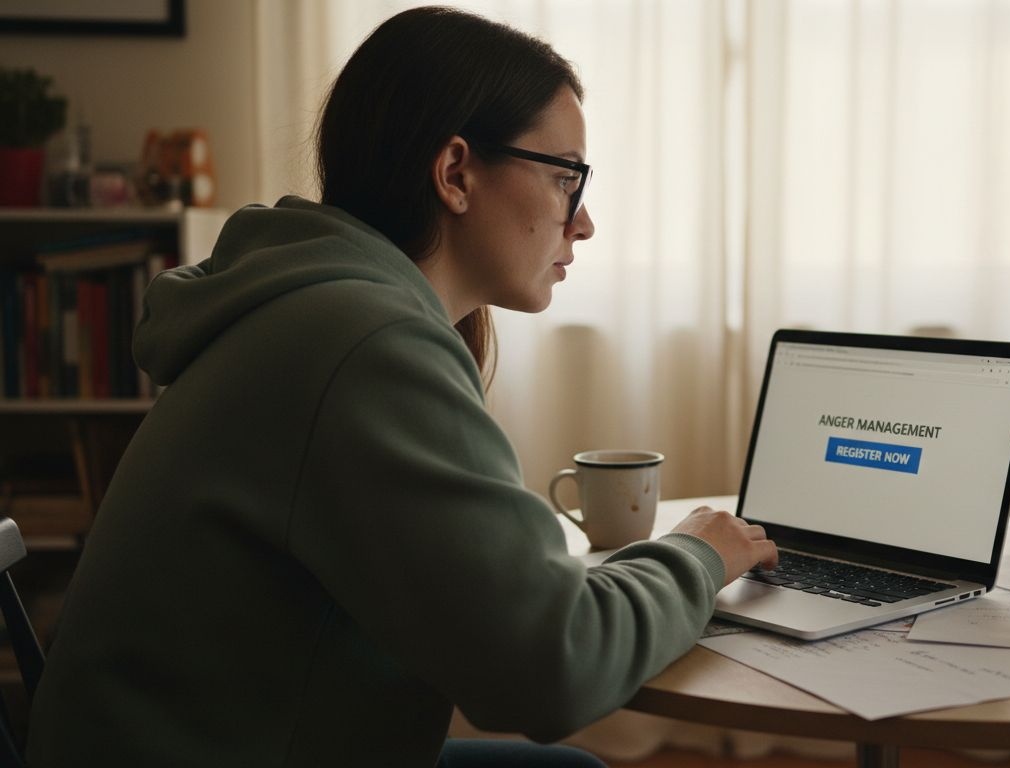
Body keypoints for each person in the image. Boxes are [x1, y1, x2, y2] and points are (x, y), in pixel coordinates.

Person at [24, 7, 777, 767]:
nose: (582, 222)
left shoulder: (317, 307)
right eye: (564, 176)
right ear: (455, 173)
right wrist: (698, 556)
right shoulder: (363, 345)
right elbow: (552, 669)